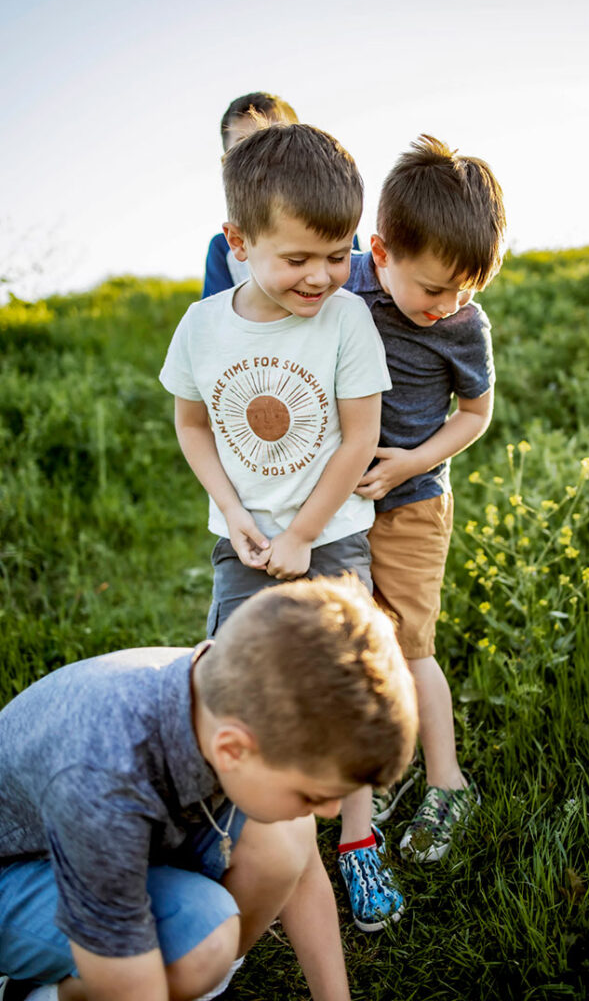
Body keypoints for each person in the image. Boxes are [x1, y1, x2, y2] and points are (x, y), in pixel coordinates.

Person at [160, 121, 403, 932]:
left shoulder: (345, 323)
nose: (322, 276)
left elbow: (360, 436)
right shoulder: (202, 328)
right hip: (243, 543)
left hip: (329, 537)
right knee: (236, 680)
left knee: (343, 686)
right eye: (297, 259)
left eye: (337, 256)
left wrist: (303, 532)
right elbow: (192, 426)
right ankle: (246, 833)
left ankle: (358, 843)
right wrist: (235, 516)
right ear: (239, 241)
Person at [0, 576, 418, 1001]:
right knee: (203, 941)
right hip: (16, 872)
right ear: (233, 750)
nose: (331, 810)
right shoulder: (103, 786)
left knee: (287, 838)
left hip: (94, 844)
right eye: (311, 795)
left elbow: (303, 869)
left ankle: (189, 981)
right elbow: (131, 991)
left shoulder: (230, 694)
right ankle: (43, 994)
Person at [346, 135, 506, 862]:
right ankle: (389, 767)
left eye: (466, 290)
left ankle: (448, 782)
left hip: (411, 506)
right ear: (381, 252)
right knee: (357, 643)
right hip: (340, 505)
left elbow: (474, 415)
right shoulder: (347, 286)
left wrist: (411, 460)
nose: (449, 306)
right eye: (436, 288)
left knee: (410, 647)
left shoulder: (465, 329)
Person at [202, 91, 299, 300]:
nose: (260, 158)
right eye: (243, 146)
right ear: (226, 165)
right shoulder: (223, 249)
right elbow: (214, 322)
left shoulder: (334, 226)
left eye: (275, 142)